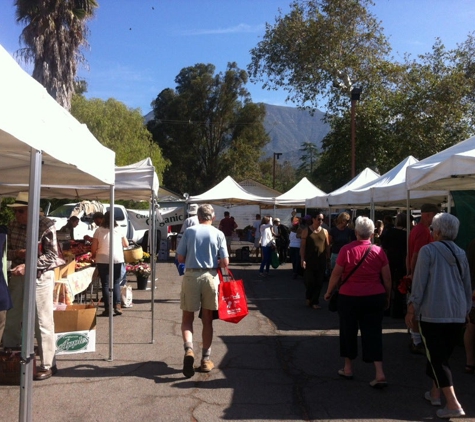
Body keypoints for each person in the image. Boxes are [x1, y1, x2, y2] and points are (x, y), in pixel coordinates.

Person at [405, 213, 471, 419]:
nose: (431, 231)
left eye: (433, 228)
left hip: (434, 313)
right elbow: (467, 285)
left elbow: (419, 282)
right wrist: (467, 310)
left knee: (437, 358)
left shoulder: (428, 251)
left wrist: (411, 308)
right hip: (457, 313)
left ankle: (453, 403)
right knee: (441, 356)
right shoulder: (460, 252)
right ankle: (434, 393)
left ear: (439, 231)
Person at [4, 192, 65, 380]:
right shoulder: (13, 225)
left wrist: (29, 263)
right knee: (12, 316)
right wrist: (20, 254)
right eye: (16, 212)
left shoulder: (47, 225)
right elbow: (8, 251)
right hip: (18, 274)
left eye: (21, 211)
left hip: (40, 277)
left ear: (32, 211)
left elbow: (53, 256)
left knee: (42, 319)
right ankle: (10, 357)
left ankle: (48, 364)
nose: (17, 215)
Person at [324, 216, 391, 387]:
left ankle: (348, 367)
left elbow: (336, 274)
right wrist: (387, 296)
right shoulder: (379, 251)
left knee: (348, 331)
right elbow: (387, 278)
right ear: (372, 234)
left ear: (355, 233)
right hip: (374, 296)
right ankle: (379, 372)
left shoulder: (346, 250)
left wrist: (329, 292)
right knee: (374, 333)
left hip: (349, 297)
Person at [176, 204, 229, 378]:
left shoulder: (190, 231)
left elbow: (180, 257)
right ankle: (206, 359)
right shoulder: (218, 234)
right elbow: (225, 263)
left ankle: (189, 350)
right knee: (207, 320)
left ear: (198, 217)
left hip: (192, 276)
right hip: (210, 277)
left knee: (187, 318)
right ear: (212, 217)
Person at [406, 203, 439, 354]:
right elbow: (416, 255)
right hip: (420, 275)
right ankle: (416, 340)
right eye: (434, 215)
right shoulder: (423, 231)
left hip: (418, 274)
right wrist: (414, 274)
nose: (435, 218)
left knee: (416, 307)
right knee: (417, 307)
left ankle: (416, 338)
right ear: (427, 215)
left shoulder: (417, 230)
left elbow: (411, 253)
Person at [91, 211, 129, 317]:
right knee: (116, 282)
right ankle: (117, 306)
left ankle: (108, 308)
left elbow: (94, 246)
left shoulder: (98, 230)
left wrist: (93, 255)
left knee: (106, 284)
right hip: (117, 258)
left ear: (103, 218)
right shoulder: (119, 229)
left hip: (102, 258)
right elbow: (126, 244)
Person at [380, 212, 408, 318]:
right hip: (401, 261)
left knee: (387, 284)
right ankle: (398, 311)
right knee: (400, 286)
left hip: (389, 260)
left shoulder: (389, 232)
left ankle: (386, 309)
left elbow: (384, 246)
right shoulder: (406, 234)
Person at [300, 212, 330, 309]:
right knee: (310, 281)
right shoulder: (306, 231)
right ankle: (309, 297)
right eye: (319, 219)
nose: (321, 221)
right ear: (313, 219)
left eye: (322, 219)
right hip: (310, 260)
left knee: (319, 281)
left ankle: (315, 301)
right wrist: (302, 259)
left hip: (321, 260)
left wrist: (328, 258)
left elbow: (327, 246)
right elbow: (303, 246)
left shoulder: (325, 231)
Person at [463, 237, 475, 374]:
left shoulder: (472, 244)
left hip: (472, 289)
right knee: (471, 325)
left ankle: (470, 362)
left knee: (471, 325)